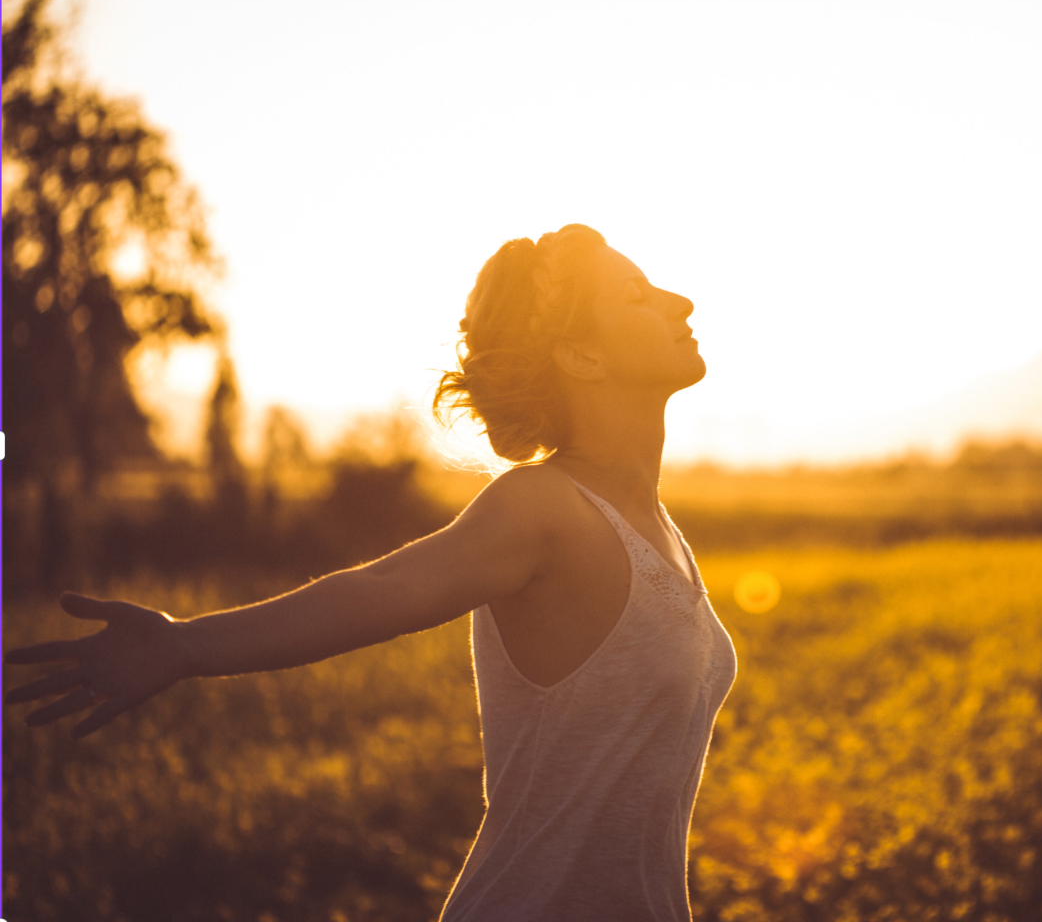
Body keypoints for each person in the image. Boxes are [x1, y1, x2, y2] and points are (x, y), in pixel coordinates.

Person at [5, 223, 737, 922]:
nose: (681, 303)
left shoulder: (657, 526)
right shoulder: (543, 510)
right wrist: (183, 644)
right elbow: (381, 588)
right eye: (639, 297)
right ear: (584, 358)